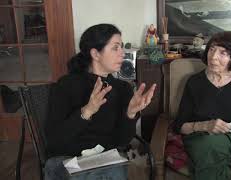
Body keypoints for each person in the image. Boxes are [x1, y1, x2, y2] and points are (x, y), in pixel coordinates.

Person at [44, 24, 156, 180]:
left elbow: (121, 141)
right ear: (95, 54)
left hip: (105, 162)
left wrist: (130, 114)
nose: (122, 53)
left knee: (114, 171)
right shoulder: (66, 85)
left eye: (122, 47)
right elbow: (55, 141)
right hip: (67, 160)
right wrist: (86, 112)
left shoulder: (123, 88)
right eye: (115, 48)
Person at [173, 31, 231, 180]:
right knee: (209, 146)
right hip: (200, 138)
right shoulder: (194, 83)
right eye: (212, 49)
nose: (214, 56)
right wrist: (204, 126)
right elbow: (179, 125)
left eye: (223, 52)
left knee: (213, 153)